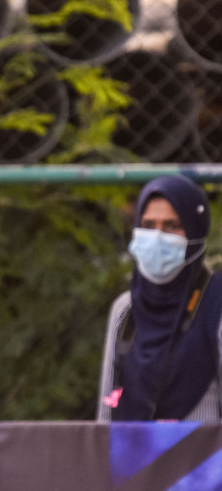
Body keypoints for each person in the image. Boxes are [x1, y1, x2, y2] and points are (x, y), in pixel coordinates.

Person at [98, 176, 221, 423]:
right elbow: (105, 416)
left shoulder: (216, 303)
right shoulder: (126, 308)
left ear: (195, 231)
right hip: (133, 456)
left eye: (172, 226)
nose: (157, 237)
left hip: (205, 459)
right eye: (148, 225)